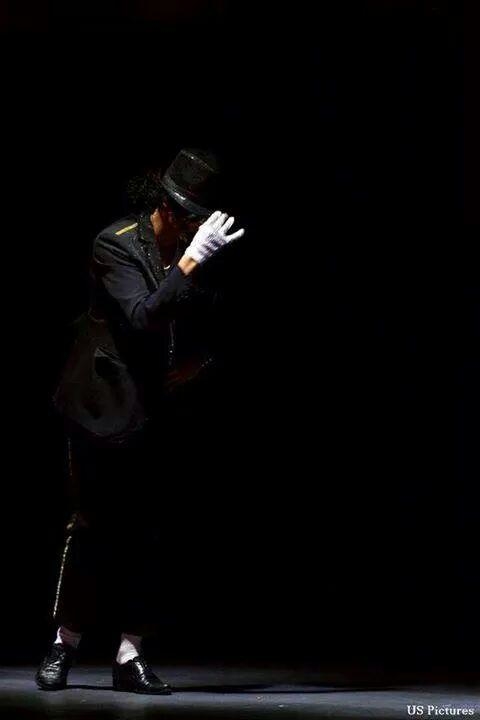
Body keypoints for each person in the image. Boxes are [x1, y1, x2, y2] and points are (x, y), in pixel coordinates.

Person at [35, 148, 245, 694]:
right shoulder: (117, 243)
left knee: (149, 531)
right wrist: (190, 263)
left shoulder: (203, 248)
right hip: (103, 406)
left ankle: (130, 653)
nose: (199, 228)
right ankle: (64, 642)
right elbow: (142, 315)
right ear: (169, 209)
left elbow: (224, 316)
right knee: (92, 526)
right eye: (192, 217)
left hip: (159, 409)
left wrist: (200, 363)